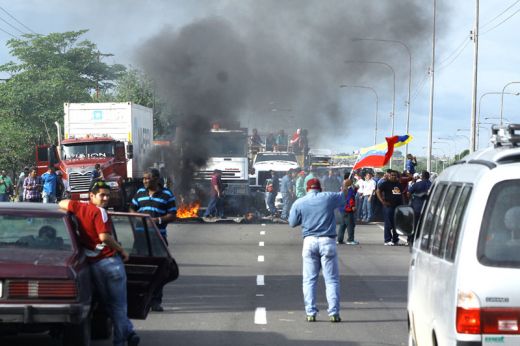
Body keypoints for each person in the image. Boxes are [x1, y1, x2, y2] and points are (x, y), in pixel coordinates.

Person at [59, 181, 140, 346]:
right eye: (102, 195)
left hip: (93, 265)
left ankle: (129, 332)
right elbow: (104, 237)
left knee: (109, 303)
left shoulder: (80, 207)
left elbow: (61, 203)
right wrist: (122, 250)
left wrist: (79, 206)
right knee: (119, 305)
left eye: (108, 196)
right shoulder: (100, 212)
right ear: (92, 196)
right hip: (110, 263)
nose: (105, 199)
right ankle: (121, 340)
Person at [289, 178, 350, 322]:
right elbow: (343, 197)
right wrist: (345, 185)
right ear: (320, 188)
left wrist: (304, 218)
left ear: (307, 188)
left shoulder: (299, 202)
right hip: (327, 241)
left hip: (309, 241)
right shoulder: (328, 197)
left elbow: (292, 222)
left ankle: (310, 313)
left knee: (309, 280)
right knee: (331, 280)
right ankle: (333, 313)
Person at [130, 168, 177, 312]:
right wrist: (136, 217)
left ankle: (156, 301)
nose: (144, 180)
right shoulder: (140, 193)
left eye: (147, 178)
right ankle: (138, 300)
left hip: (158, 237)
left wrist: (157, 220)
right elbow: (132, 208)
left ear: (156, 179)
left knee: (159, 270)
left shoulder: (167, 195)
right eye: (144, 178)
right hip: (140, 237)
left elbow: (172, 214)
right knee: (138, 270)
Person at [376, 170, 404, 246]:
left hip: (398, 207)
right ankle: (387, 240)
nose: (393, 176)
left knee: (396, 224)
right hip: (388, 206)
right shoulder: (385, 183)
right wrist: (382, 201)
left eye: (395, 175)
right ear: (389, 176)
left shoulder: (399, 184)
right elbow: (378, 191)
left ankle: (395, 240)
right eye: (392, 175)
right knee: (388, 223)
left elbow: (401, 194)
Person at [407, 171, 432, 243]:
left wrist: (411, 199)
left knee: (414, 224)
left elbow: (408, 193)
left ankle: (411, 239)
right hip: (428, 208)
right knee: (425, 225)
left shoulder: (417, 184)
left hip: (416, 207)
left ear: (422, 177)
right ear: (429, 177)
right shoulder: (432, 184)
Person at [336, 178, 358, 245]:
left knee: (342, 225)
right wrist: (352, 206)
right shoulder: (349, 190)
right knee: (350, 225)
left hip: (342, 209)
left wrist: (356, 189)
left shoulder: (342, 189)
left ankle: (339, 239)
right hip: (348, 209)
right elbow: (350, 198)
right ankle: (350, 239)